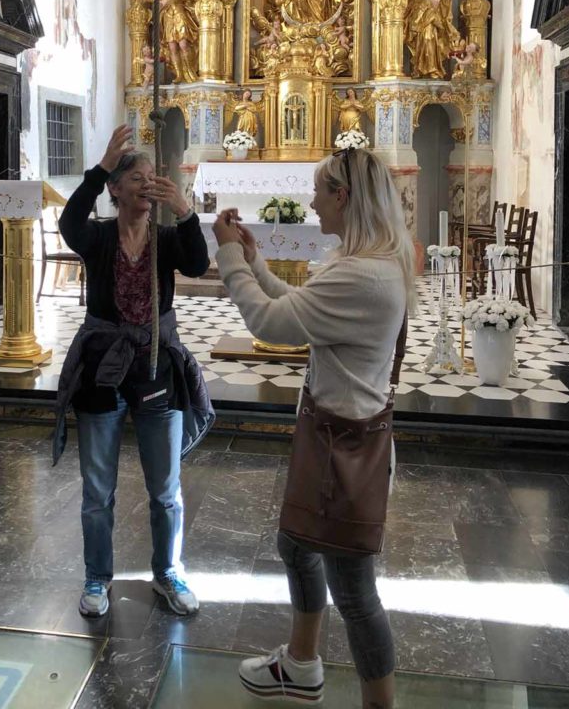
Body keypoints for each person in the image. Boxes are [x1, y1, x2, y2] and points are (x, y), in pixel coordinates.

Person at [212, 147, 417, 707]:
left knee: (354, 594)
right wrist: (255, 265)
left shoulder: (361, 276)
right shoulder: (369, 267)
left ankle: (379, 703)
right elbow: (305, 307)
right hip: (335, 434)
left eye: (320, 191)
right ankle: (300, 664)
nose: (311, 201)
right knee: (295, 545)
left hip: (344, 450)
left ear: (343, 198)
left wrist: (227, 256)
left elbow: (272, 322)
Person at [53, 125, 213, 620]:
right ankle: (98, 577)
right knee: (98, 488)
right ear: (116, 189)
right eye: (136, 178)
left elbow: (198, 262)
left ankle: (167, 572)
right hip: (102, 368)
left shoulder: (166, 238)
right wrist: (100, 165)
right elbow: (68, 221)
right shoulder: (97, 236)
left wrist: (184, 210)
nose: (147, 184)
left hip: (155, 368)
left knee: (165, 490)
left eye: (152, 177)